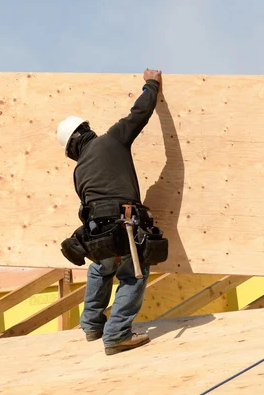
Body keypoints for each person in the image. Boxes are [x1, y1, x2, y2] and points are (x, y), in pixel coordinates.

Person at [56, 68, 162, 356]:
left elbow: (85, 205)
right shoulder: (112, 140)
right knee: (133, 273)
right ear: (86, 130)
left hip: (97, 230)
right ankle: (116, 335)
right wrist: (151, 84)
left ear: (71, 148)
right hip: (125, 222)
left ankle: (91, 324)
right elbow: (139, 114)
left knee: (102, 267)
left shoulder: (79, 170)